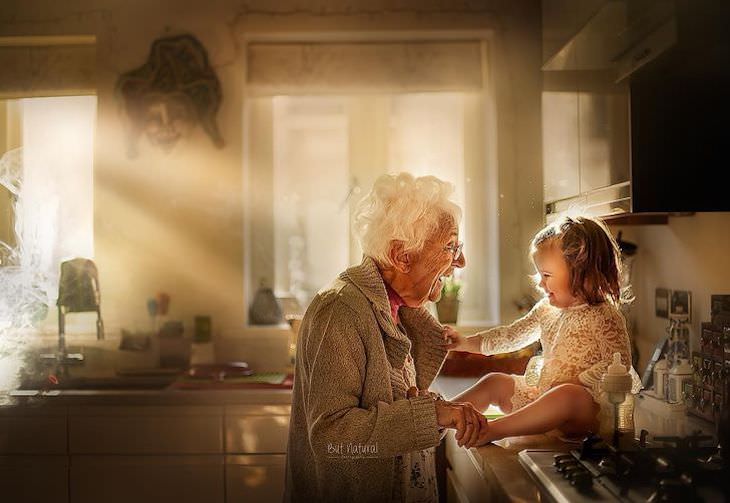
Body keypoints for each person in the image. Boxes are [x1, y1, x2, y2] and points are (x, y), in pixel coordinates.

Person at [284, 173, 487, 503]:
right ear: (401, 255)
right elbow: (331, 436)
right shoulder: (340, 310)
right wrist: (431, 415)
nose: (460, 261)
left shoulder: (397, 312)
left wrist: (435, 409)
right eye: (450, 247)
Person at [446, 215, 641, 444]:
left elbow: (619, 363)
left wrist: (578, 380)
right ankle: (441, 418)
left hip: (587, 413)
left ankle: (492, 430)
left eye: (546, 275)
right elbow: (511, 336)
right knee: (494, 381)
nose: (540, 283)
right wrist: (465, 342)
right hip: (547, 399)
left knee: (566, 394)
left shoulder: (604, 315)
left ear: (583, 273)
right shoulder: (546, 310)